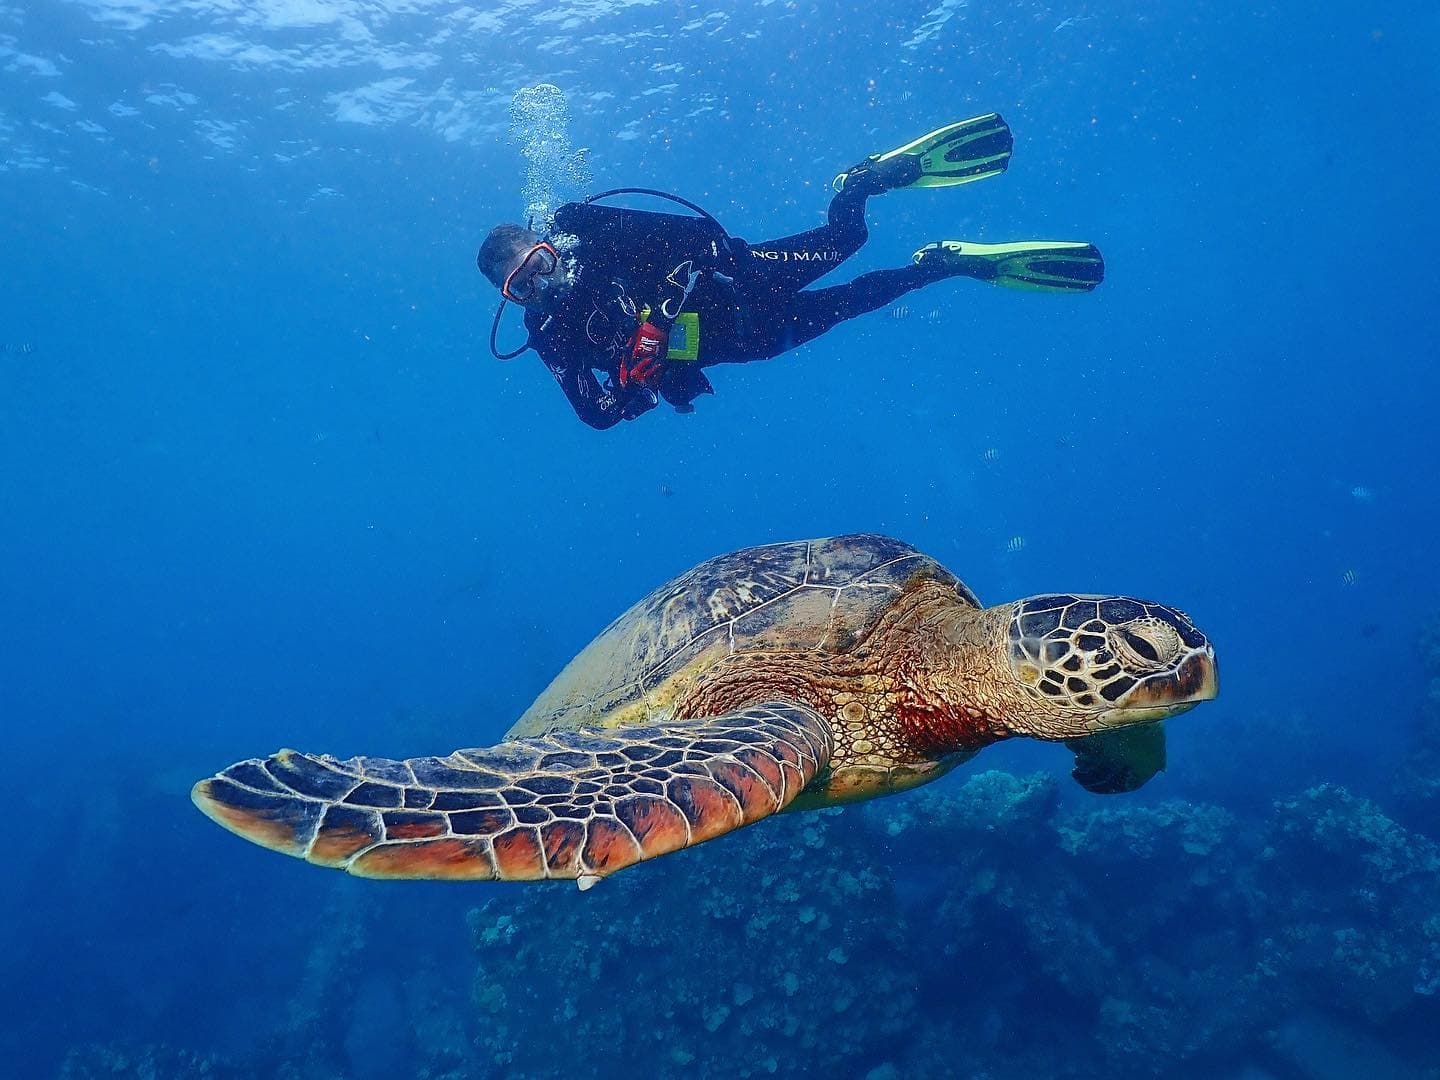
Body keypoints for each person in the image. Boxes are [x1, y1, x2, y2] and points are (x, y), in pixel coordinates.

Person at [476, 114, 1104, 430]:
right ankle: (943, 266)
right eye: (522, 287)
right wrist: (638, 384)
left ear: (547, 242)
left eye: (539, 263)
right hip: (745, 342)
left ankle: (861, 183)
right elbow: (597, 414)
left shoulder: (593, 237)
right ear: (512, 297)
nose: (542, 284)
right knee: (858, 300)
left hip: (745, 277)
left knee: (848, 237)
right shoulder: (550, 336)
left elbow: (695, 236)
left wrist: (659, 316)